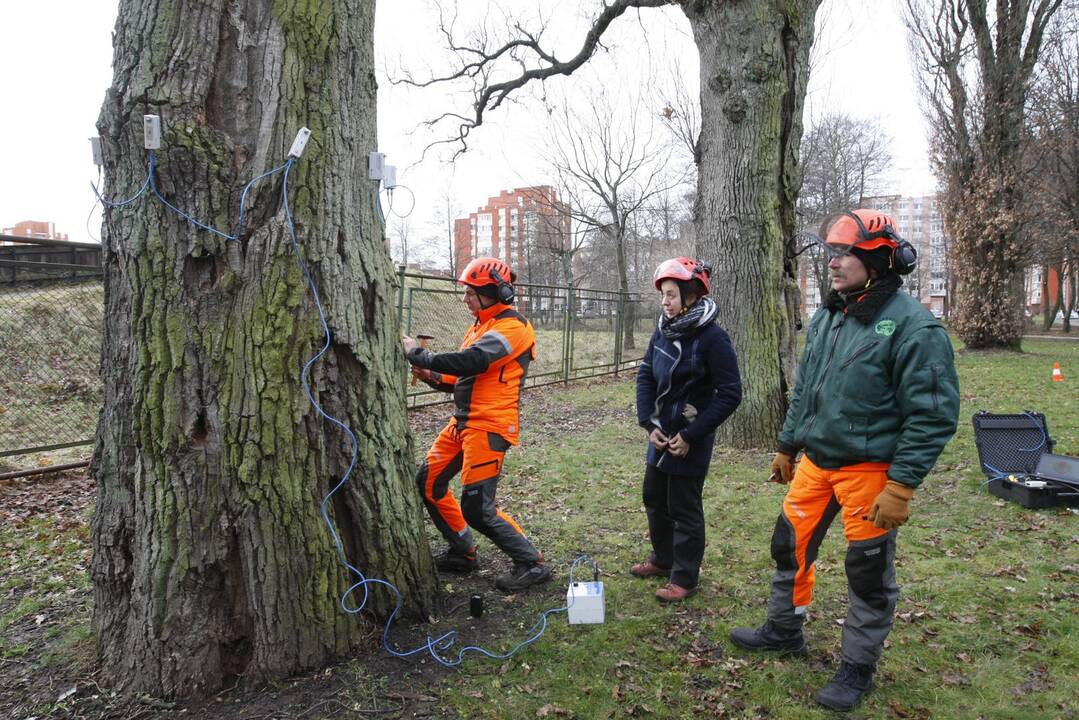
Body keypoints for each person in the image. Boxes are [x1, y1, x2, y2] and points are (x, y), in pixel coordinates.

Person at [729, 210, 960, 711]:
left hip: (871, 471)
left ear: (878, 260)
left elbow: (933, 415)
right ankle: (784, 630)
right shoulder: (830, 314)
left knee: (866, 572)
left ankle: (857, 667)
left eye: (843, 254)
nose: (832, 264)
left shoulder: (915, 328)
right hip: (817, 461)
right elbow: (807, 389)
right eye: (830, 252)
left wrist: (901, 486)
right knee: (789, 546)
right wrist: (788, 445)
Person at [403, 257, 552, 593]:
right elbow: (460, 375)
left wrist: (419, 355)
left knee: (476, 507)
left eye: (471, 293)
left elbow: (475, 360)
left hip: (490, 426)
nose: (466, 299)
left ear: (494, 292)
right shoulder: (478, 326)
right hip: (463, 422)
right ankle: (463, 551)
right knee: (428, 483)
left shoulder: (513, 327)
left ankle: (531, 563)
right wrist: (432, 375)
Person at [632, 257, 742, 602]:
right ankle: (664, 560)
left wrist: (692, 436)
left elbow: (730, 394)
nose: (665, 302)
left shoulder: (713, 338)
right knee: (654, 497)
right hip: (662, 433)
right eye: (663, 295)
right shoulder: (664, 330)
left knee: (684, 506)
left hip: (690, 437)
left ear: (691, 296)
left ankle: (685, 577)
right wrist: (648, 422)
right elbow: (646, 375)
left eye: (671, 295)